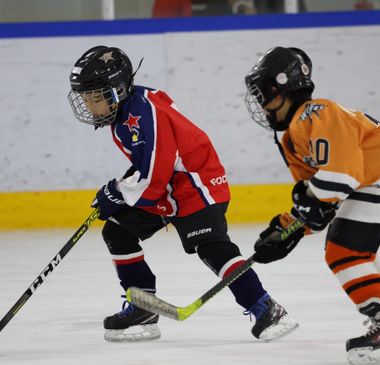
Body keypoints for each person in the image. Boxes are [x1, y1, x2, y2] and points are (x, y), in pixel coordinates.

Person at [67, 45, 299, 343]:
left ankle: (266, 308)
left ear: (119, 89)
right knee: (118, 232)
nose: (89, 105)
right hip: (169, 187)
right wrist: (120, 190)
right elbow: (150, 168)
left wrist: (117, 191)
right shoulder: (125, 113)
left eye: (95, 97)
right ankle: (143, 308)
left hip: (196, 184)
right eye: (86, 98)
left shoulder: (145, 113)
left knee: (212, 248)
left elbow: (154, 175)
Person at [244, 47, 380, 364]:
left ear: (281, 86)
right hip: (368, 182)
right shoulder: (291, 137)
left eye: (263, 94)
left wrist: (304, 212)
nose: (261, 105)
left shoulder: (318, 113)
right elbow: (317, 206)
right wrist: (286, 229)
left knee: (342, 252)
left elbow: (340, 176)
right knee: (356, 254)